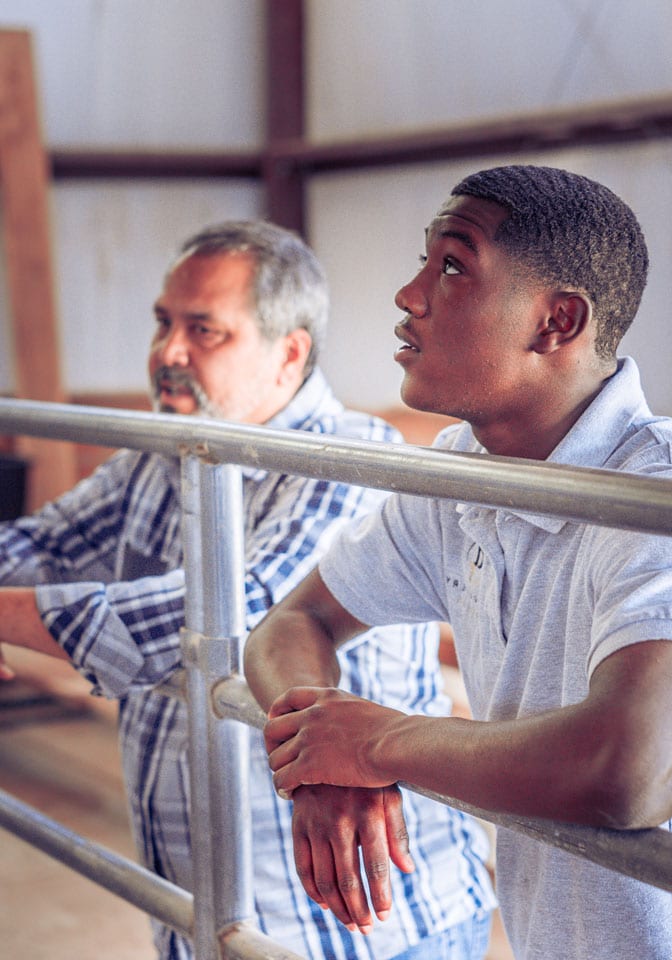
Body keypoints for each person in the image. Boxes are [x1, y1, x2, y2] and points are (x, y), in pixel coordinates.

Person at [244, 166, 672, 959]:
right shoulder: (464, 473)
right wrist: (321, 757)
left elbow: (630, 768)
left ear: (556, 321)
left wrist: (375, 743)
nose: (409, 295)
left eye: (452, 266)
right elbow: (294, 622)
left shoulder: (669, 498)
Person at [0, 221, 496, 960]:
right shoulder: (168, 450)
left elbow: (211, 623)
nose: (169, 352)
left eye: (205, 330)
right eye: (165, 322)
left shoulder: (350, 462)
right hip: (204, 909)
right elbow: (36, 546)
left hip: (360, 926)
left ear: (289, 351)